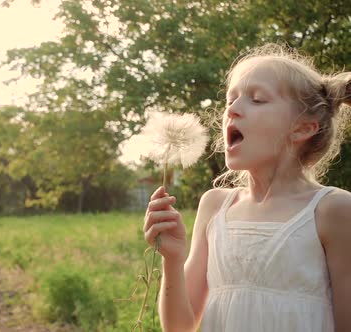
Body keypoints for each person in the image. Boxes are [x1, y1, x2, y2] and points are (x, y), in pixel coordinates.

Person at [143, 43, 351, 332]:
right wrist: (173, 258)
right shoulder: (215, 205)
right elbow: (179, 327)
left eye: (256, 100)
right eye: (231, 100)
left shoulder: (333, 210)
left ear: (303, 128)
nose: (232, 110)